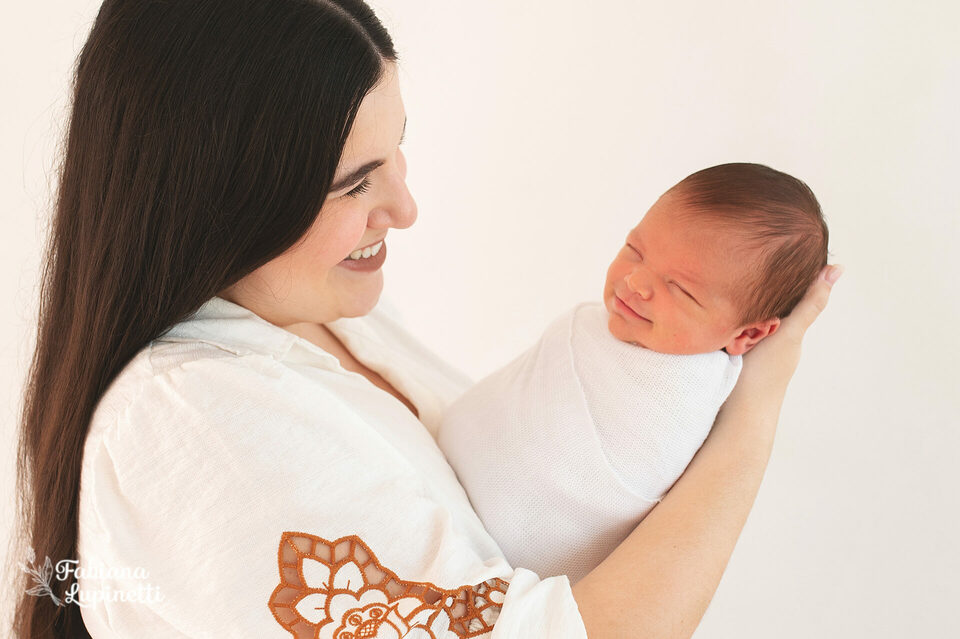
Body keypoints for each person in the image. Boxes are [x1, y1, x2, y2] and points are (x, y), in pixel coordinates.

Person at [8, 1, 842, 638]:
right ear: (223, 199)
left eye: (397, 149)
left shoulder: (333, 319)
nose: (405, 208)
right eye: (354, 183)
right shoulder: (193, 423)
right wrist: (754, 411)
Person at [438, 162, 829, 585]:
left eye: (680, 289)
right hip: (443, 462)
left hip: (500, 560)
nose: (635, 281)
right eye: (635, 249)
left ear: (748, 334)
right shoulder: (599, 330)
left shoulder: (694, 399)